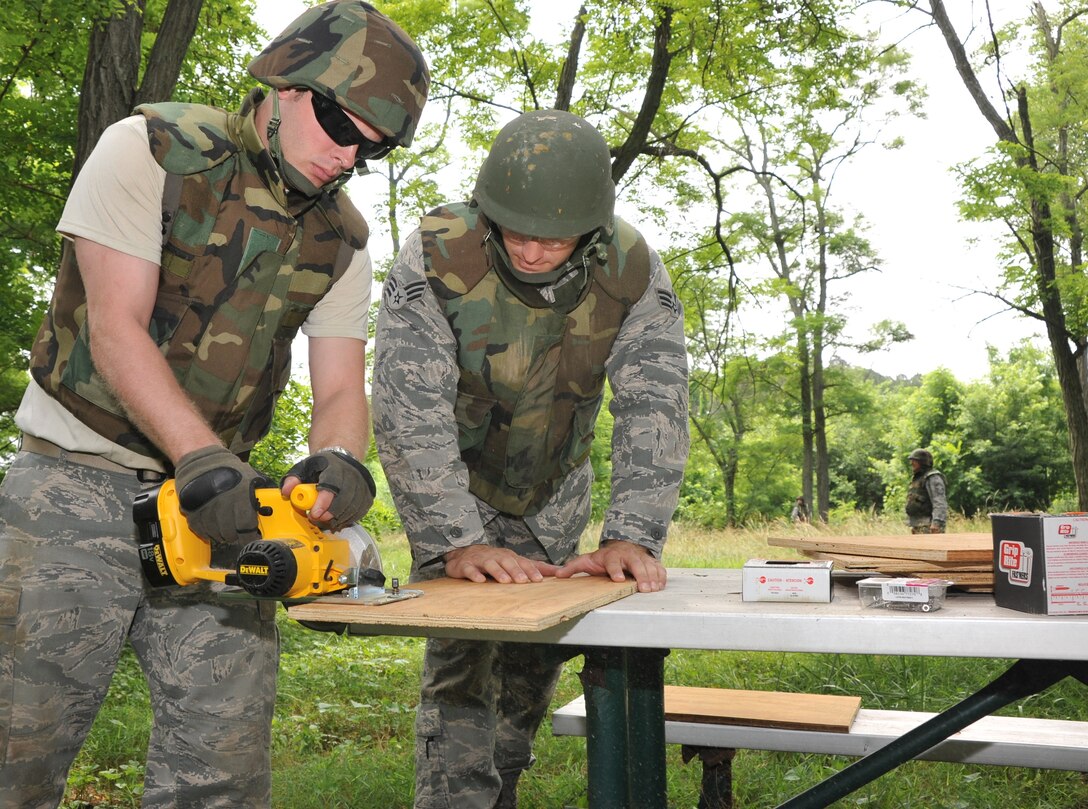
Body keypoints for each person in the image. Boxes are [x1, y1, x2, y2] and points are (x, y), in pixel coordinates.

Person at [0, 3, 428, 806]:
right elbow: (114, 326)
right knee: (14, 760)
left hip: (225, 510)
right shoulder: (150, 150)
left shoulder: (342, 240)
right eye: (341, 121)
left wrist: (340, 458)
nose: (350, 151)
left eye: (374, 147)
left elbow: (339, 385)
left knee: (222, 778)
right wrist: (203, 459)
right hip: (72, 487)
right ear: (284, 85)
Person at [372, 109, 690, 809]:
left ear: (592, 227)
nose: (532, 250)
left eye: (553, 237)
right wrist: (454, 541)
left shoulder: (629, 268)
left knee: (530, 670)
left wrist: (632, 533)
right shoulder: (438, 252)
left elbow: (656, 403)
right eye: (515, 229)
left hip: (552, 492)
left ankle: (504, 784)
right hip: (456, 487)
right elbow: (408, 409)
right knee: (461, 667)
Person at [905, 448, 948, 534]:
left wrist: (937, 523)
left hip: (929, 525)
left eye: (914, 461)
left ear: (922, 462)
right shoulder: (918, 479)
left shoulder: (933, 478)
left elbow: (939, 502)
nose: (911, 463)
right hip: (919, 525)